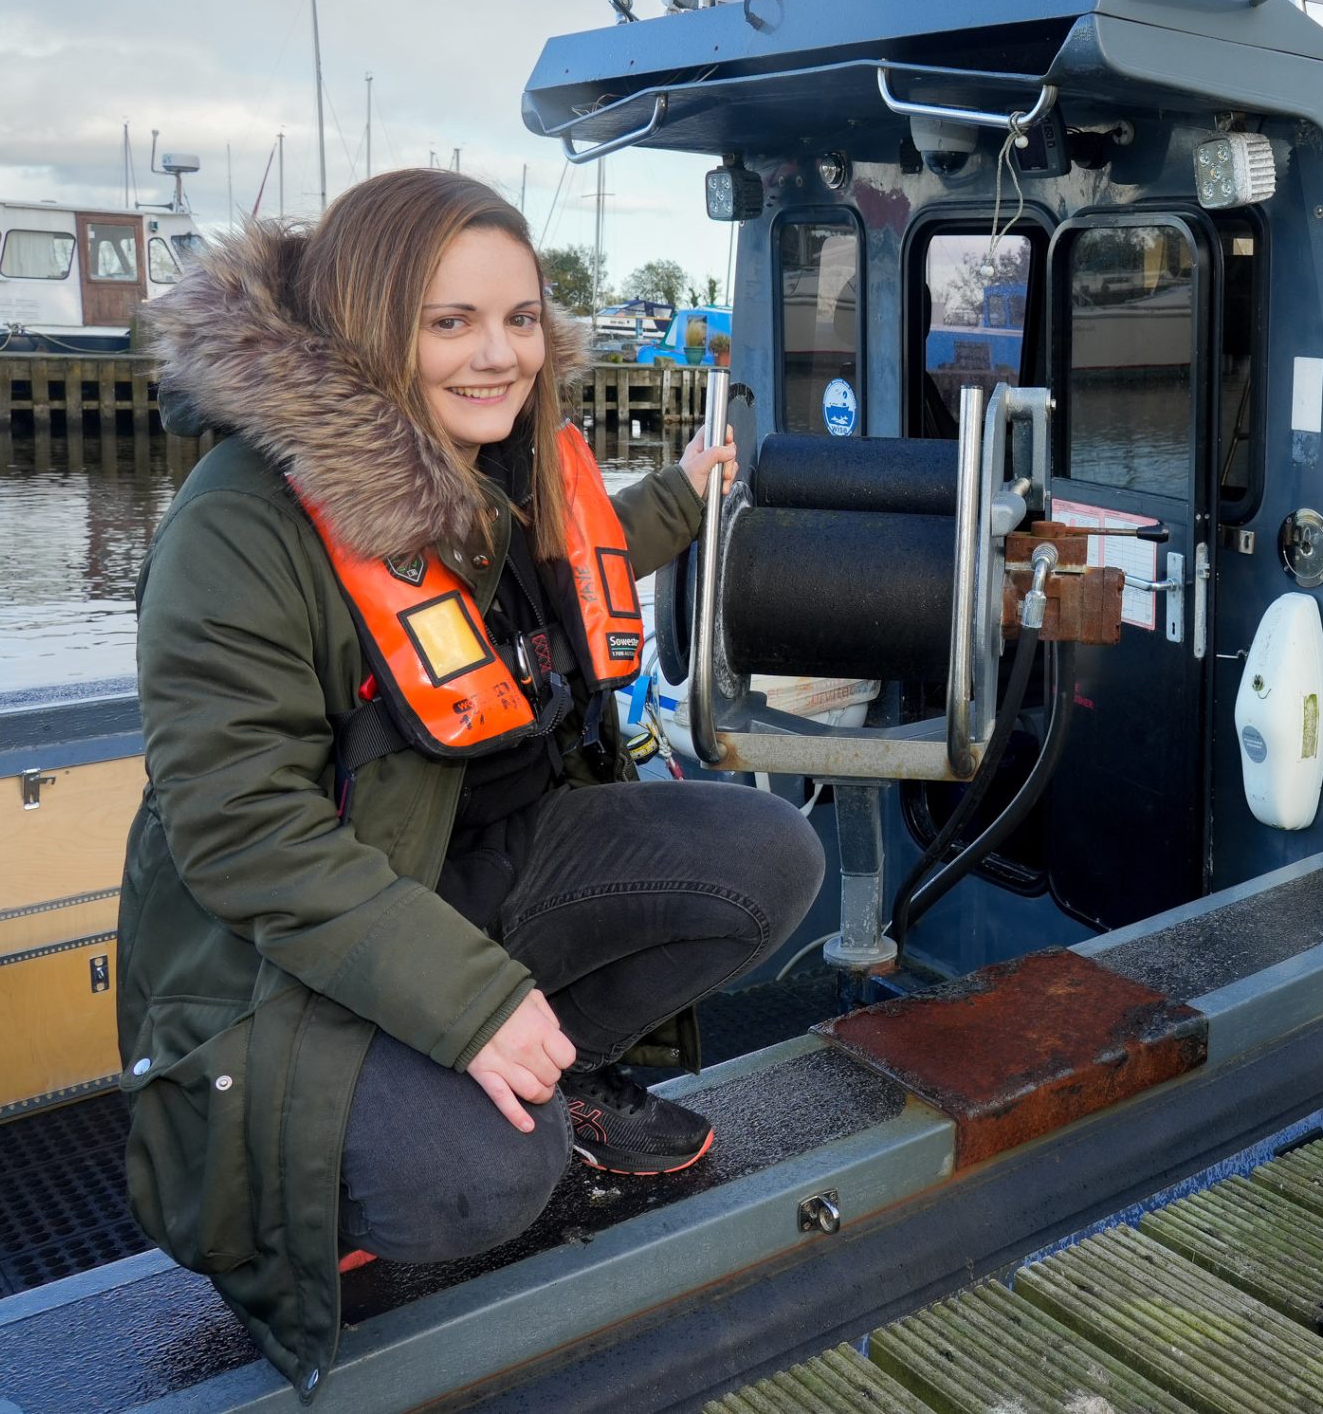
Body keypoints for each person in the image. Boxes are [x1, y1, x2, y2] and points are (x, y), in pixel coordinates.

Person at [119, 170, 824, 1396]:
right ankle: (291, 1200)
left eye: (520, 318)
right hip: (282, 958)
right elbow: (243, 832)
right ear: (365, 320)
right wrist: (472, 1002)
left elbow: (587, 553)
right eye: (450, 321)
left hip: (479, 866)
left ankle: (560, 1076)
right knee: (483, 1178)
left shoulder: (504, 464)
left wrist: (683, 491)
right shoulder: (236, 525)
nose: (499, 354)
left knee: (771, 856)